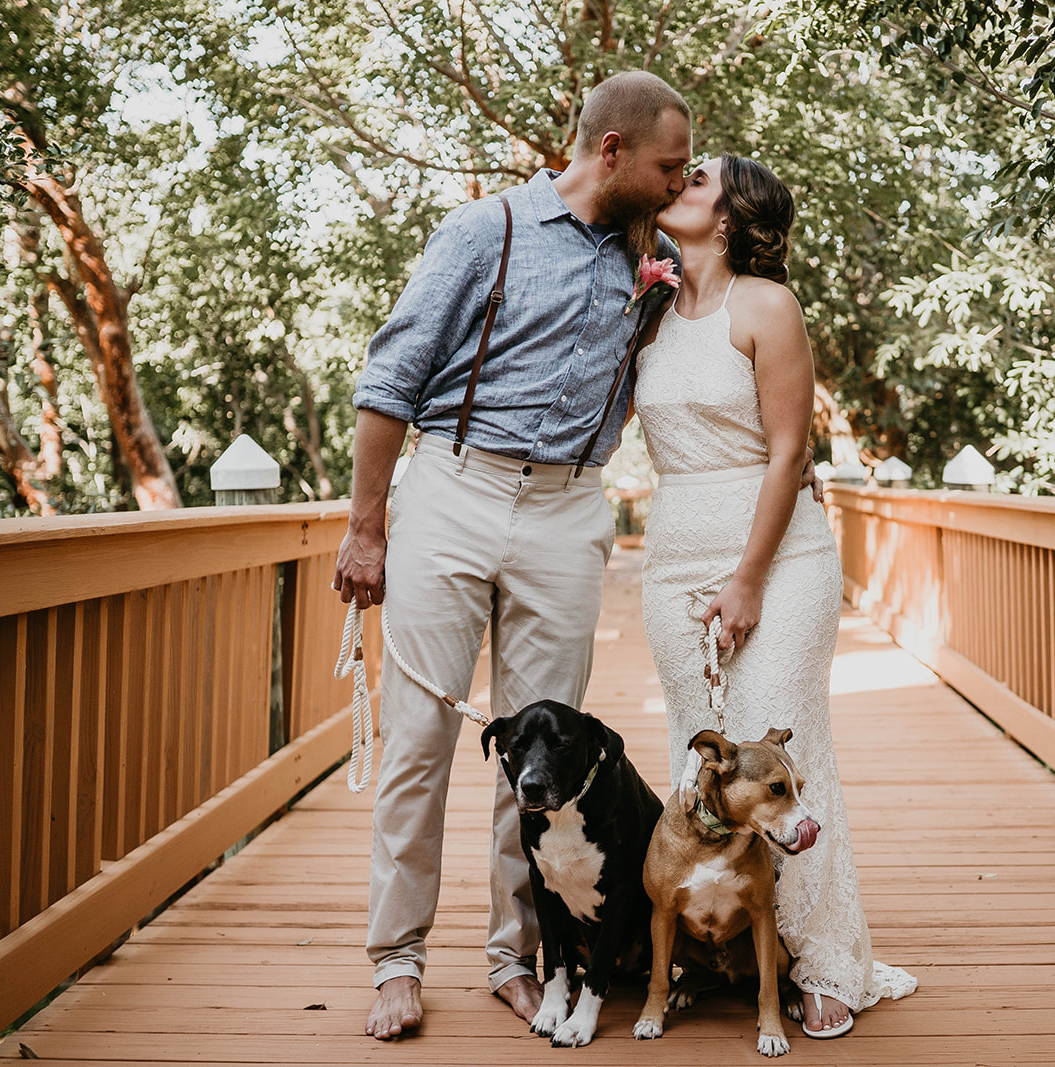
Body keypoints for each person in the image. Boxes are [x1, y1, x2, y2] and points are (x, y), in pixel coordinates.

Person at [331, 70, 693, 1040]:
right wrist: (368, 528)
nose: (680, 182)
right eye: (669, 166)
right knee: (419, 741)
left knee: (546, 759)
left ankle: (514, 957)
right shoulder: (481, 231)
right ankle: (395, 961)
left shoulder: (654, 257)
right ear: (610, 151)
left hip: (571, 506)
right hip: (454, 487)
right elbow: (390, 379)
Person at [634, 154, 918, 1039]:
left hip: (777, 555)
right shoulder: (649, 310)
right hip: (674, 561)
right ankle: (730, 944)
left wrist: (749, 577)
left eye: (700, 173)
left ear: (731, 213)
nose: (679, 175)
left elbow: (789, 448)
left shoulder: (766, 304)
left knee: (785, 731)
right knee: (709, 759)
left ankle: (828, 961)